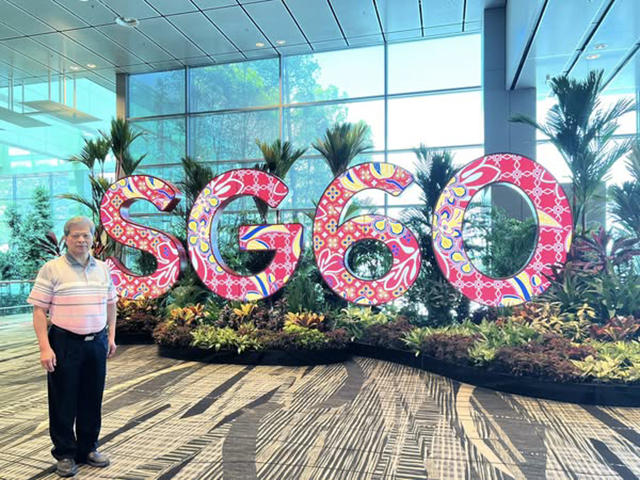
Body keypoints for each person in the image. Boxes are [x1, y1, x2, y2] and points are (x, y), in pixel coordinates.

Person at [28, 216, 117, 478]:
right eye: (75, 235)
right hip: (64, 342)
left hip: (96, 342)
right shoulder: (52, 269)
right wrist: (45, 348)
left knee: (92, 397)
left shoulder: (103, 269)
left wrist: (111, 336)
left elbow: (111, 304)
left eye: (86, 235)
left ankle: (88, 448)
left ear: (93, 238)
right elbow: (39, 311)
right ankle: (65, 453)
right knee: (63, 400)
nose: (81, 240)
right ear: (66, 238)